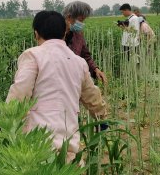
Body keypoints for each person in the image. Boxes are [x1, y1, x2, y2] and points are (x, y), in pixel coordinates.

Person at [6, 11, 108, 162]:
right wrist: (102, 117)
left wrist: (5, 123)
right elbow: (92, 96)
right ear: (65, 33)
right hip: (68, 143)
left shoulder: (33, 56)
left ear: (36, 34)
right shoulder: (78, 62)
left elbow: (19, 93)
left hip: (38, 145)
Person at [63, 1, 108, 85]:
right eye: (81, 20)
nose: (82, 24)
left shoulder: (78, 34)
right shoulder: (55, 35)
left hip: (75, 78)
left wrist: (95, 69)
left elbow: (85, 55)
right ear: (69, 17)